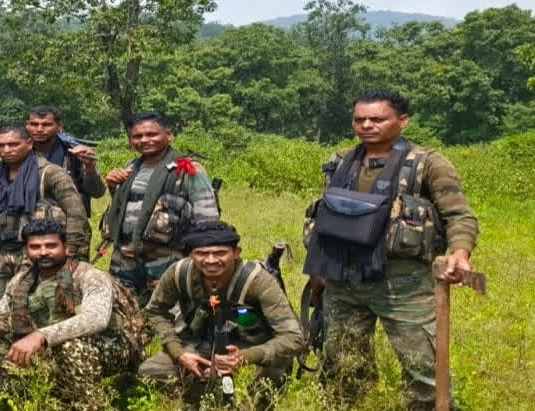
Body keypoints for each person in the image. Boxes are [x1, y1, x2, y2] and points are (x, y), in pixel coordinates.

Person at [302, 90, 479, 410]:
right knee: (342, 365)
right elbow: (326, 218)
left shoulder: (428, 163)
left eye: (377, 119)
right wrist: (317, 271)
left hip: (403, 283)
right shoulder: (341, 161)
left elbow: (459, 215)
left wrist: (460, 252)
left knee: (423, 368)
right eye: (359, 119)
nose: (366, 125)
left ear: (402, 121)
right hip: (343, 280)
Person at [0, 218, 146, 411]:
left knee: (68, 346)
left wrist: (41, 336)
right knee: (0, 361)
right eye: (35, 247)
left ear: (66, 248)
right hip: (51, 348)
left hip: (111, 345)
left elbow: (96, 319)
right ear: (26, 251)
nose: (43, 252)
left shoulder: (89, 276)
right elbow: (2, 320)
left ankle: (90, 405)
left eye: (51, 245)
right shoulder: (21, 281)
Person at [140, 221, 304, 410]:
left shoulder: (257, 281)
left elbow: (294, 337)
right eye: (201, 254)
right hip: (203, 345)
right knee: (151, 371)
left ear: (236, 253)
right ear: (190, 254)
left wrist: (246, 356)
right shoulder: (179, 273)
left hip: (254, 346)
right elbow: (155, 310)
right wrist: (180, 353)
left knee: (275, 370)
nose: (210, 260)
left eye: (220, 253)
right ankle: (204, 398)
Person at [101, 111, 219, 303]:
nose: (144, 140)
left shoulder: (187, 168)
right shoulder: (131, 167)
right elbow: (124, 208)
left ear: (168, 135)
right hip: (125, 258)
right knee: (124, 314)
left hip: (166, 259)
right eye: (137, 136)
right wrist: (113, 185)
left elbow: (207, 218)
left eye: (152, 134)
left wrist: (204, 256)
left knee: (166, 315)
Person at [0, 123, 89, 306]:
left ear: (29, 143)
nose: (6, 150)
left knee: (38, 305)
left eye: (13, 144)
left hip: (37, 252)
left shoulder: (51, 173)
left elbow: (76, 214)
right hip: (2, 249)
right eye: (0, 146)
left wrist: (71, 251)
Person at [26, 105, 105, 220]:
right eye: (34, 124)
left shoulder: (73, 154)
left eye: (46, 125)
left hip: (68, 223)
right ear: (26, 125)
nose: (39, 129)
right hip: (29, 222)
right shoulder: (19, 154)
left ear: (59, 126)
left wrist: (90, 167)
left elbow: (98, 192)